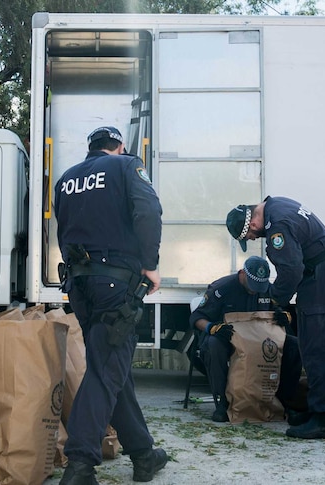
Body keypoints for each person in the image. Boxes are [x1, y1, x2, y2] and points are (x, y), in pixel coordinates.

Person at [55, 126, 167, 484]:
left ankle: (144, 455)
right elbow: (148, 211)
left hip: (79, 283)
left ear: (91, 148)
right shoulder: (126, 166)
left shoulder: (66, 180)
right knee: (106, 371)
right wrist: (150, 264)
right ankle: (79, 464)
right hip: (115, 284)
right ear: (118, 146)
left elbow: (61, 229)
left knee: (111, 367)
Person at [226, 197, 325, 439]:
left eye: (250, 237)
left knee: (317, 349)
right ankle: (320, 410)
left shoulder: (277, 224)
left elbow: (291, 269)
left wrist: (275, 298)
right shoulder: (280, 205)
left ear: (253, 224)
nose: (253, 240)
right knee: (313, 346)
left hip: (322, 278)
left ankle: (323, 420)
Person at [189, 256, 304, 423]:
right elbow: (197, 317)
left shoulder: (265, 289)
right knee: (213, 345)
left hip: (259, 340)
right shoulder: (222, 288)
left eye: (259, 287)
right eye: (252, 285)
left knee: (294, 346)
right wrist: (212, 328)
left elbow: (280, 309)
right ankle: (221, 403)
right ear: (242, 273)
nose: (254, 290)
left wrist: (285, 317)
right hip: (227, 338)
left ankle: (285, 402)